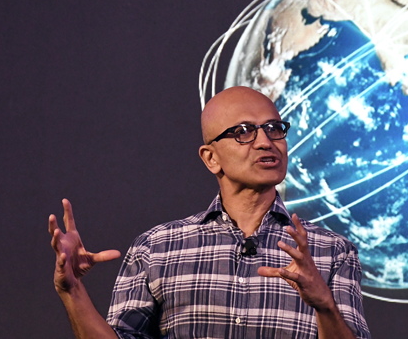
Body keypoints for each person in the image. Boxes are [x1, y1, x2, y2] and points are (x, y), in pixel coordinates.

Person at [48, 86, 371, 338]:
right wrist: (72, 290)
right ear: (211, 158)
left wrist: (324, 305)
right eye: (243, 132)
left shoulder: (330, 252)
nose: (265, 142)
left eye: (274, 128)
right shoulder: (157, 249)